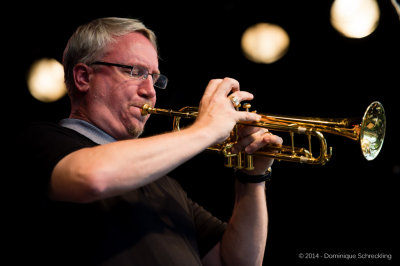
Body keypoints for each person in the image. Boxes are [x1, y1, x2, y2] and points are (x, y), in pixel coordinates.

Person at [17, 17, 283, 266]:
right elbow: (93, 177)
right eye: (134, 72)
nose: (149, 91)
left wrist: (253, 177)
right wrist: (206, 129)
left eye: (154, 78)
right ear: (84, 77)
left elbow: (236, 261)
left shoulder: (164, 183)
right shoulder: (39, 139)